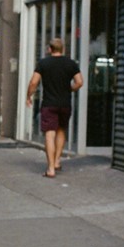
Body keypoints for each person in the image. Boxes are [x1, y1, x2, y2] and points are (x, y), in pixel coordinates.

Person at [26, 37, 83, 178]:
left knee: (49, 135)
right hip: (65, 103)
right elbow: (80, 82)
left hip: (49, 104)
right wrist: (70, 89)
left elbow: (34, 82)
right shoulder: (71, 64)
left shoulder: (43, 63)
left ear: (50, 49)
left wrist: (29, 96)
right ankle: (57, 161)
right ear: (62, 49)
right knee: (61, 130)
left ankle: (50, 169)